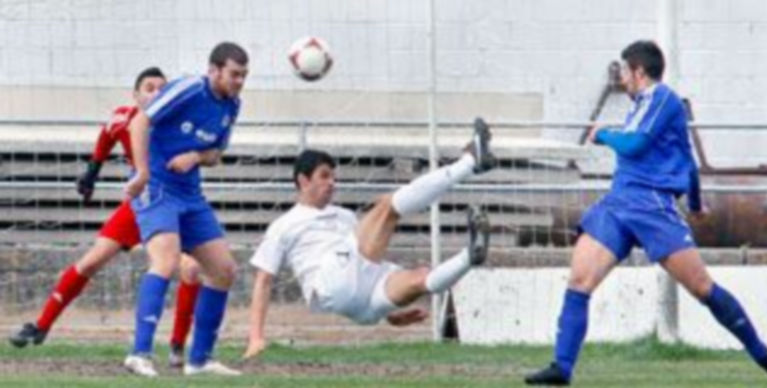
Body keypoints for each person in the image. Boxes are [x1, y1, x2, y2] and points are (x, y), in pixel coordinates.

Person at [524, 40, 767, 386]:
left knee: (702, 288)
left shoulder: (662, 98)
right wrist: (697, 204)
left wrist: (603, 135)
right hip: (620, 202)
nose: (621, 78)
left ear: (639, 71)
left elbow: (635, 145)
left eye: (624, 70)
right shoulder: (642, 106)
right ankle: (561, 369)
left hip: (653, 206)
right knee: (579, 281)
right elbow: (688, 162)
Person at [243, 119, 494, 359]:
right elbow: (263, 280)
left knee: (420, 278)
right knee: (386, 206)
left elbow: (363, 264)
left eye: (333, 177)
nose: (332, 183)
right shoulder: (284, 225)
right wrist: (256, 338)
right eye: (324, 176)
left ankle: (470, 256)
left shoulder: (345, 217)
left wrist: (390, 314)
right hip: (328, 283)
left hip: (362, 306)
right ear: (303, 180)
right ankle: (470, 161)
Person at [9, 67, 202, 368]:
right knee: (91, 261)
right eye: (148, 87)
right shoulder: (125, 118)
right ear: (135, 95)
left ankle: (177, 347)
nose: (154, 93)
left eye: (160, 88)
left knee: (190, 269)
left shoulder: (177, 121)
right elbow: (106, 136)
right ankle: (42, 324)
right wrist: (92, 171)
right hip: (139, 203)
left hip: (169, 203)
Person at [122, 42, 248, 377]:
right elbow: (138, 122)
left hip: (190, 193)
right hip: (157, 187)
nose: (239, 82)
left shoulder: (232, 106)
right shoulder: (189, 88)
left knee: (224, 270)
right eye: (234, 74)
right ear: (214, 70)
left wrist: (195, 156)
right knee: (165, 260)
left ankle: (199, 360)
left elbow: (215, 154)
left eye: (244, 76)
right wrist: (142, 172)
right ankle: (139, 353)